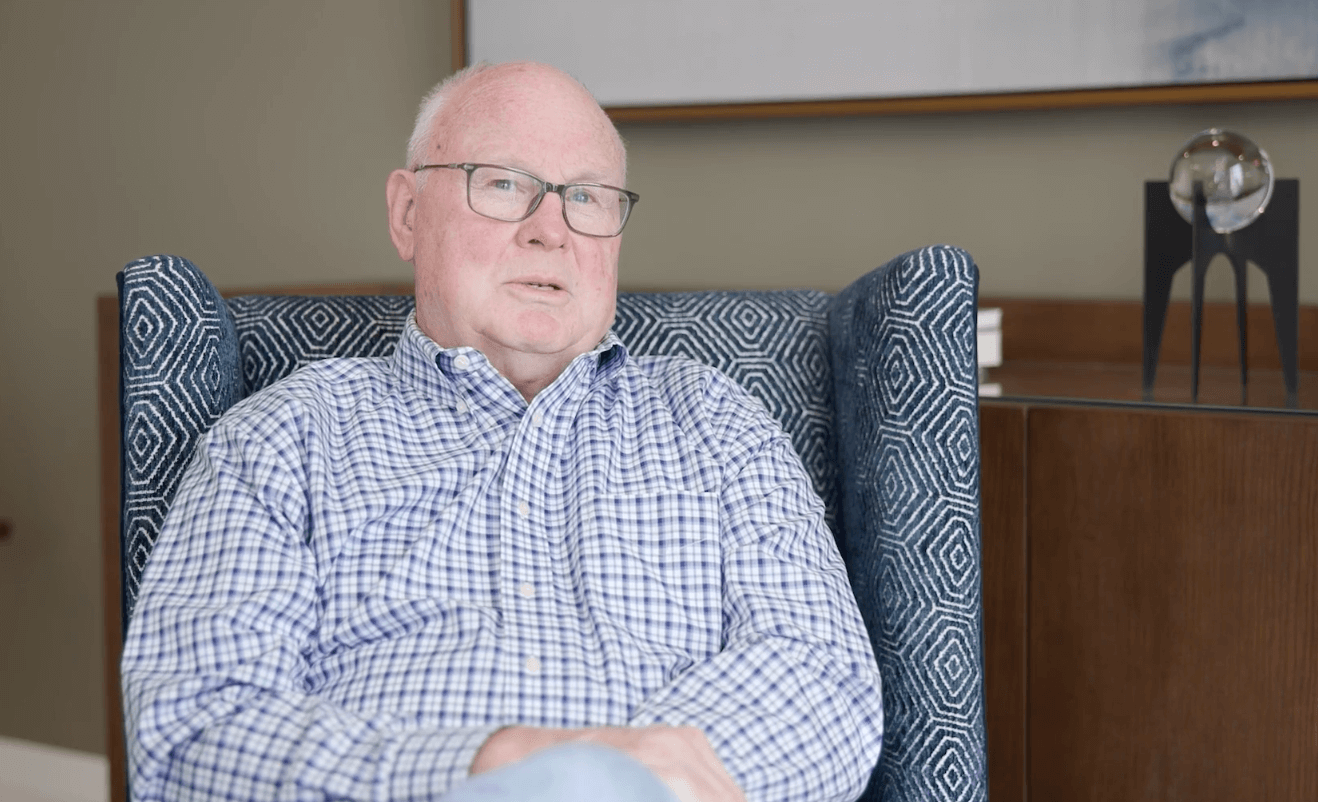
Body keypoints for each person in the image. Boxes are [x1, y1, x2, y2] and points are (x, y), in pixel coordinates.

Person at [120, 61, 883, 802]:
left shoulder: (718, 422)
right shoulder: (279, 439)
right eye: (504, 184)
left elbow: (828, 685)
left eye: (586, 197)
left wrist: (612, 782)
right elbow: (190, 729)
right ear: (408, 214)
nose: (551, 231)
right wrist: (494, 766)